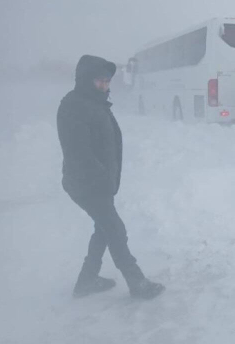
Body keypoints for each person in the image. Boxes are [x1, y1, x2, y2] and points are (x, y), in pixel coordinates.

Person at [57, 55, 165, 299]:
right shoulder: (75, 106)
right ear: (85, 80)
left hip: (98, 183)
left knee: (104, 228)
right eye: (99, 81)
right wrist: (103, 176)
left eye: (107, 82)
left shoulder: (93, 102)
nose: (105, 86)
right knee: (115, 230)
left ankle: (87, 279)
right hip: (87, 184)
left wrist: (107, 177)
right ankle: (137, 283)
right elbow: (79, 152)